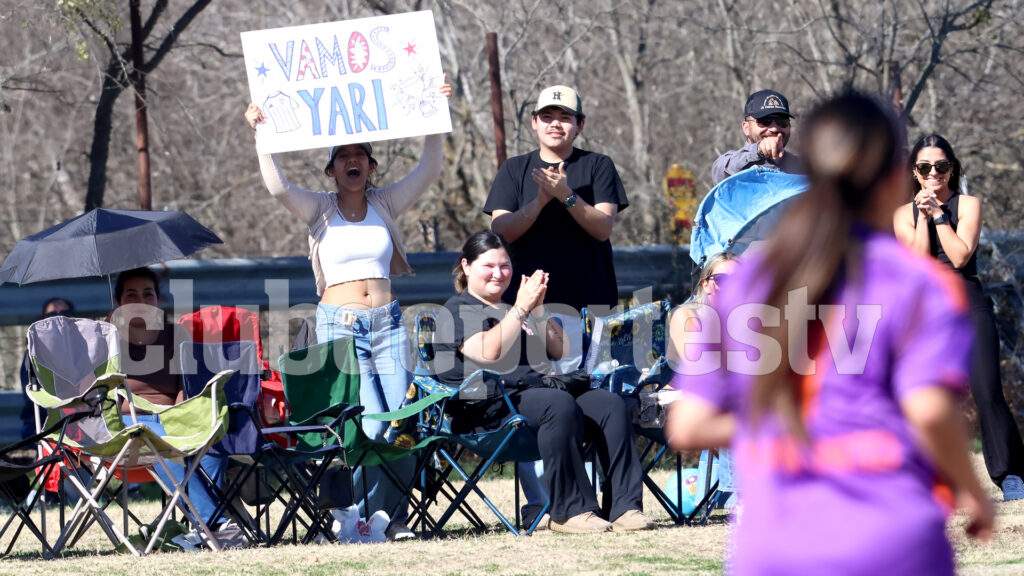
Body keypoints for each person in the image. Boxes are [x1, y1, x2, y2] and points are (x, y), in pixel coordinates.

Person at [668, 93, 993, 575]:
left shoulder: (746, 285)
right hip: (894, 541)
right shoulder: (918, 282)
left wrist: (794, 428)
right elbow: (929, 410)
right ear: (890, 184)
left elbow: (688, 425)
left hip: (776, 547)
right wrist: (974, 493)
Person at [244, 78, 451, 541]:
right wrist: (262, 132)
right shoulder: (318, 209)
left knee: (399, 425)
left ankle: (387, 521)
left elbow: (429, 168)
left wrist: (435, 112)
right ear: (332, 170)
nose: (352, 161)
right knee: (370, 425)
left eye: (360, 154)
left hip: (390, 325)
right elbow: (276, 185)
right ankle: (355, 516)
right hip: (342, 327)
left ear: (371, 166)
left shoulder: (385, 203)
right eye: (343, 156)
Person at [435, 230, 654, 533]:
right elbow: (488, 352)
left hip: (532, 398)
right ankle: (570, 511)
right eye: (489, 266)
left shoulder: (514, 308)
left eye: (505, 266)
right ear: (467, 266)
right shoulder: (457, 309)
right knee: (557, 403)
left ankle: (624, 507)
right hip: (486, 409)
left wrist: (537, 310)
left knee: (608, 404)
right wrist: (520, 308)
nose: (499, 274)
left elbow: (559, 349)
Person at [484, 84, 629, 521]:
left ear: (579, 125)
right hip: (530, 312)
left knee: (596, 400)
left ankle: (609, 503)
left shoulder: (597, 165)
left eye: (564, 116)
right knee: (540, 400)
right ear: (533, 123)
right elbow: (502, 230)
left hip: (590, 309)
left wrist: (565, 194)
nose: (555, 123)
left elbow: (603, 227)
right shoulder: (514, 170)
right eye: (546, 115)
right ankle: (547, 503)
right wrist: (541, 199)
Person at [894, 134, 1024, 501]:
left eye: (941, 166)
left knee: (987, 391)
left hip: (968, 302)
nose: (933, 173)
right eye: (924, 167)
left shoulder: (968, 204)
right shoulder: (901, 214)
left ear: (952, 169)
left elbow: (961, 255)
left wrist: (938, 214)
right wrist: (921, 215)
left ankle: (1011, 474)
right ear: (915, 173)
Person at [108, 267, 235, 549]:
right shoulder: (107, 341)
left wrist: (181, 417)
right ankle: (214, 523)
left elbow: (183, 387)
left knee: (210, 438)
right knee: (154, 435)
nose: (141, 300)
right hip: (128, 424)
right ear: (118, 301)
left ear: (158, 300)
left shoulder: (174, 334)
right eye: (132, 294)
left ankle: (199, 529)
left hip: (171, 418)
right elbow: (106, 399)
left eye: (148, 294)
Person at [711, 89, 803, 185]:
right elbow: (720, 172)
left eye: (782, 122)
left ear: (789, 126)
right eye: (765, 121)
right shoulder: (730, 165)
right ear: (746, 128)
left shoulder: (801, 168)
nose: (774, 129)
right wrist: (758, 151)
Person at [21, 297, 75, 440]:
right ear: (43, 320)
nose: (58, 319)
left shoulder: (85, 350)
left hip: (81, 417)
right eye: (52, 315)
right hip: (43, 421)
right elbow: (30, 396)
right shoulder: (33, 353)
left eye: (65, 313)